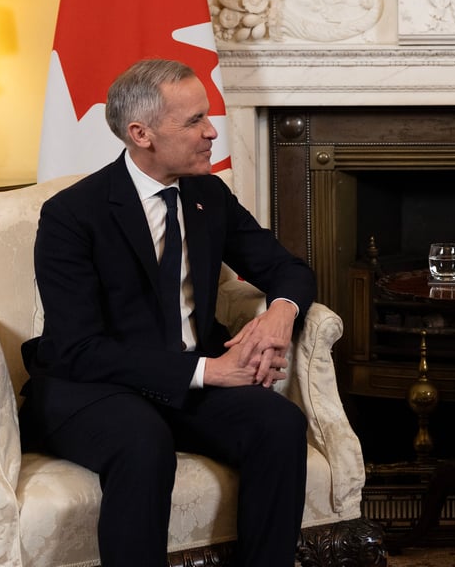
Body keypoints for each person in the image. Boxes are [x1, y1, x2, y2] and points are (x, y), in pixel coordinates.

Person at [18, 59, 317, 567]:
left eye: (209, 117)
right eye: (195, 120)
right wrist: (211, 370)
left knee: (279, 425)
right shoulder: (72, 215)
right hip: (91, 388)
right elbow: (77, 349)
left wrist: (279, 314)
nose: (210, 132)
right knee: (142, 441)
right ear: (142, 134)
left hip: (188, 384)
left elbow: (287, 268)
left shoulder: (208, 195)